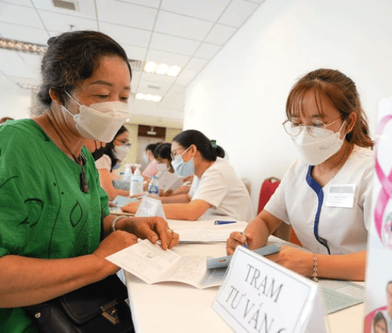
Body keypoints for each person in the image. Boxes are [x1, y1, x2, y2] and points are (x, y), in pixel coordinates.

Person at [0, 30, 179, 332]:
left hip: (82, 311)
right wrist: (100, 262)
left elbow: (93, 219)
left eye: (123, 97)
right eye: (100, 94)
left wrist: (124, 225)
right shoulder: (15, 145)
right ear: (57, 93)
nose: (115, 107)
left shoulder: (82, 154)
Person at [226, 68, 374, 281]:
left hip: (361, 288)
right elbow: (266, 221)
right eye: (296, 123)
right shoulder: (298, 169)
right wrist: (247, 241)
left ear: (348, 123)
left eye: (316, 124)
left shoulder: (371, 172)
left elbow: (388, 258)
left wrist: (312, 264)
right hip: (311, 282)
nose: (304, 134)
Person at [122, 130, 253, 221]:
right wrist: (155, 200)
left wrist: (146, 208)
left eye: (175, 154)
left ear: (192, 150)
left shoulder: (217, 171)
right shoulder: (201, 171)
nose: (173, 160)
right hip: (216, 222)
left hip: (234, 228)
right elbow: (188, 198)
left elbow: (192, 211)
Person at [94, 125, 133, 200]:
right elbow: (109, 194)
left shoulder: (108, 161)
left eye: (127, 143)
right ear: (110, 140)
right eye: (123, 142)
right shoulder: (103, 158)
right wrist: (136, 193)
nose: (125, 147)